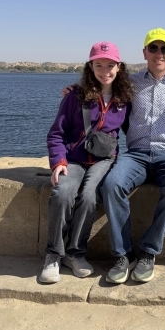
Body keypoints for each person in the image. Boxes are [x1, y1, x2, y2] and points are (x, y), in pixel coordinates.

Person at [99, 28, 165, 284]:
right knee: (111, 184)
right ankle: (123, 254)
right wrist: (74, 92)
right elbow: (101, 87)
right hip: (137, 154)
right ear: (144, 52)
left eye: (164, 49)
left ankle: (149, 251)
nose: (159, 54)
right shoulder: (129, 82)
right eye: (153, 48)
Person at [41, 41, 133, 284]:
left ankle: (75, 253)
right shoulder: (75, 96)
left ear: (119, 67)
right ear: (90, 67)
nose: (105, 71)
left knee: (90, 196)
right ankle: (53, 255)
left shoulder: (124, 97)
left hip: (105, 159)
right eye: (99, 65)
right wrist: (58, 161)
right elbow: (56, 134)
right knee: (63, 193)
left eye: (110, 65)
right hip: (74, 158)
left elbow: (135, 127)